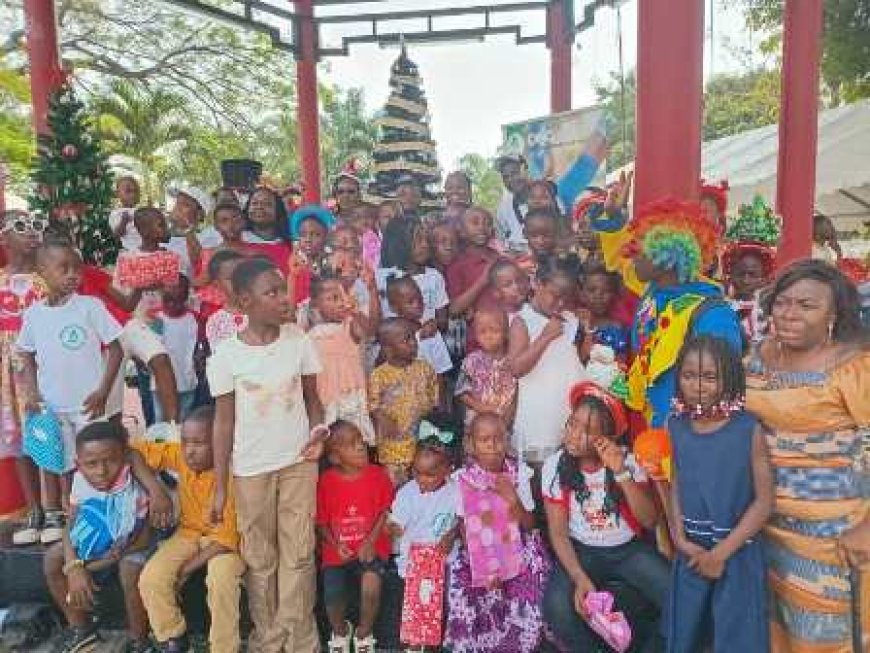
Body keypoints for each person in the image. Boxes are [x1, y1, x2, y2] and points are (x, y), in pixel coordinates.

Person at [744, 260, 869, 652]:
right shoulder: (756, 357)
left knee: (823, 637)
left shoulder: (853, 366)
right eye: (782, 302)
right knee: (773, 629)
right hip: (762, 526)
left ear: (833, 314)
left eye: (806, 305)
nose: (790, 313)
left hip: (831, 537)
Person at [208, 257, 326, 653]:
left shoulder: (299, 340)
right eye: (271, 292)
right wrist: (220, 488)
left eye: (282, 290)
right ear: (244, 302)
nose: (282, 299)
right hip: (250, 471)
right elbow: (223, 424)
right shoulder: (226, 356)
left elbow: (314, 401)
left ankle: (301, 640)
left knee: (299, 554)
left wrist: (318, 433)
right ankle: (268, 638)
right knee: (260, 560)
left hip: (298, 463)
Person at [592, 185, 743, 432]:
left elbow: (723, 390)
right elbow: (619, 259)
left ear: (666, 255)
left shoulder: (712, 313)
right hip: (648, 428)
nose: (630, 253)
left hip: (687, 437)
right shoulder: (653, 290)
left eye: (638, 247)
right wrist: (614, 217)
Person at [543, 382, 669, 652]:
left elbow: (649, 521)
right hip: (581, 550)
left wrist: (621, 472)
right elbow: (557, 532)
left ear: (606, 438)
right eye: (573, 424)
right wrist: (578, 577)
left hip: (627, 550)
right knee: (557, 609)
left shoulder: (628, 463)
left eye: (587, 431)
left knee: (676, 597)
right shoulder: (556, 466)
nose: (574, 435)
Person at [666, 336, 773, 652]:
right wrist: (680, 539)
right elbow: (676, 484)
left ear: (729, 377)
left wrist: (719, 554)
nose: (698, 386)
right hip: (692, 553)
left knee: (736, 636)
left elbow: (765, 502)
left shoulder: (747, 429)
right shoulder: (675, 425)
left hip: (736, 552)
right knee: (687, 636)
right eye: (689, 376)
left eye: (710, 377)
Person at [42, 421, 171, 653]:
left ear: (124, 457)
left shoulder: (135, 478)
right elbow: (70, 525)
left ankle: (140, 641)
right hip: (100, 540)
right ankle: (81, 629)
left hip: (133, 543)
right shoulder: (81, 481)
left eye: (110, 461)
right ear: (78, 464)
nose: (101, 471)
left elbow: (141, 540)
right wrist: (74, 568)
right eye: (91, 464)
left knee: (129, 570)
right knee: (53, 558)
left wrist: (95, 564)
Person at [17, 241, 124, 512]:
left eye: (76, 267)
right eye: (63, 268)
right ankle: (70, 512)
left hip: (89, 404)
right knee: (63, 461)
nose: (72, 274)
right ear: (42, 271)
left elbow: (116, 347)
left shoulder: (90, 306)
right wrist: (32, 392)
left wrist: (103, 391)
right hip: (54, 406)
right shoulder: (33, 315)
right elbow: (26, 354)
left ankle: (102, 509)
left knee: (97, 457)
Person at [136, 406, 246, 653]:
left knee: (221, 579)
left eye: (199, 443)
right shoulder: (180, 457)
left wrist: (185, 570)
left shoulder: (231, 474)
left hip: (225, 546)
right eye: (185, 441)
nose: (189, 450)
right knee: (151, 577)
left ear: (220, 443)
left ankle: (224, 647)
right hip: (189, 534)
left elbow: (225, 539)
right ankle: (173, 638)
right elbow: (133, 452)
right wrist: (154, 488)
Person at [445, 413, 549, 653]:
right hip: (479, 552)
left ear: (507, 441)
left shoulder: (519, 474)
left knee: (527, 589)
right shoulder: (463, 479)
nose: (492, 445)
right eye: (484, 440)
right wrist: (483, 564)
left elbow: (530, 525)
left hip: (518, 547)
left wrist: (513, 499)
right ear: (471, 444)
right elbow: (463, 525)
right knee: (465, 591)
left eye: (498, 439)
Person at [317, 421, 394, 653]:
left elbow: (385, 511)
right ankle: (340, 632)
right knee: (332, 595)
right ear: (334, 457)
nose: (361, 447)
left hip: (372, 548)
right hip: (337, 551)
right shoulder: (327, 481)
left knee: (371, 585)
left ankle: (364, 632)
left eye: (360, 441)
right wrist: (335, 544)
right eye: (351, 445)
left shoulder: (378, 475)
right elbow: (320, 523)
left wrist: (370, 541)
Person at [509, 260, 586, 466]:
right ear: (537, 284)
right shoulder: (522, 321)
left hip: (567, 410)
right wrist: (545, 337)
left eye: (566, 298)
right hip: (540, 415)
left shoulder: (570, 319)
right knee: (540, 473)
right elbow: (516, 369)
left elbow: (577, 360)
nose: (560, 303)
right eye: (555, 295)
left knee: (567, 470)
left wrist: (588, 332)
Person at [0, 211, 47, 545]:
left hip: (41, 366)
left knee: (49, 434)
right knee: (16, 437)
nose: (31, 233)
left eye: (35, 227)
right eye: (20, 227)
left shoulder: (47, 279)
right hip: (6, 375)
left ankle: (57, 506)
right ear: (3, 238)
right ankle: (33, 508)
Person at [368, 317, 439, 486]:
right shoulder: (379, 375)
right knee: (396, 489)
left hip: (421, 445)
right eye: (406, 340)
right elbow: (372, 403)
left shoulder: (425, 368)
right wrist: (380, 416)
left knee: (423, 486)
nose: (413, 342)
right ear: (388, 348)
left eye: (413, 337)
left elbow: (434, 400)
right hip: (393, 449)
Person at [308, 275, 375, 443]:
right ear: (316, 303)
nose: (340, 303)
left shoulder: (349, 326)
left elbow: (369, 329)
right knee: (330, 440)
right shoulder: (309, 333)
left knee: (356, 438)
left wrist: (357, 311)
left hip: (350, 396)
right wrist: (293, 278)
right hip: (325, 397)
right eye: (333, 298)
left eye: (343, 296)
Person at [389, 432, 459, 580]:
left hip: (447, 562)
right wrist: (393, 526)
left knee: (444, 600)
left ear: (447, 470)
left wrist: (453, 533)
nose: (421, 479)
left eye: (429, 475)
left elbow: (462, 519)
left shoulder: (456, 491)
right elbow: (396, 523)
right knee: (419, 600)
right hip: (415, 562)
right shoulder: (406, 494)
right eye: (417, 472)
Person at [721, 196, 780, 345]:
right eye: (741, 274)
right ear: (731, 274)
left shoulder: (773, 311)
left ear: (764, 277)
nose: (746, 280)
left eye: (752, 275)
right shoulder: (721, 308)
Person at [445, 207, 502, 351]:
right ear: (462, 232)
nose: (482, 227)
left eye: (487, 223)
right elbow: (454, 309)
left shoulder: (500, 258)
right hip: (479, 341)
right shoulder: (457, 264)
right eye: (475, 223)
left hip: (507, 334)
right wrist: (483, 280)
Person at [456, 307, 517, 428]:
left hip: (504, 424)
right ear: (475, 335)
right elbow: (461, 391)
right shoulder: (471, 361)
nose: (488, 336)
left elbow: (515, 396)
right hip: (476, 423)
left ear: (506, 333)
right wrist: (480, 407)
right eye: (482, 332)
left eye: (494, 331)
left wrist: (506, 421)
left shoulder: (513, 362)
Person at [385, 276, 453, 381]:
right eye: (410, 302)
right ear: (394, 308)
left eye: (420, 298)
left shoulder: (431, 333)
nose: (418, 304)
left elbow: (440, 374)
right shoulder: (390, 339)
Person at [152, 275, 199, 422]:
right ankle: (160, 446)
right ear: (161, 297)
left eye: (177, 301)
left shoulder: (194, 319)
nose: (172, 305)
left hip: (187, 380)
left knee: (184, 421)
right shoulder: (156, 319)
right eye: (168, 301)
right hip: (160, 385)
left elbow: (199, 346)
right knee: (161, 422)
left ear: (185, 298)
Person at [578, 264, 631, 363]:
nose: (598, 296)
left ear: (613, 295)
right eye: (592, 290)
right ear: (582, 294)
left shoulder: (618, 330)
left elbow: (621, 366)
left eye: (606, 291)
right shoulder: (575, 326)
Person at [166, 184, 221, 278]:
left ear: (199, 215)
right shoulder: (159, 233)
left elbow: (200, 264)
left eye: (185, 205)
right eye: (177, 202)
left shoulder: (209, 237)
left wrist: (188, 230)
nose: (177, 207)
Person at [289, 204, 337, 306]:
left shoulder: (332, 262)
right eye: (303, 234)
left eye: (316, 234)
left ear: (326, 237)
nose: (308, 240)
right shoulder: (293, 262)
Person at [203, 250, 248, 352]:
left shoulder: (263, 312)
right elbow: (220, 359)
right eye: (231, 278)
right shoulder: (216, 322)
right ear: (217, 285)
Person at [242, 186, 292, 273]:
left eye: (267, 203)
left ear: (277, 211)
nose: (259, 207)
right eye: (254, 203)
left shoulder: (290, 246)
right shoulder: (236, 242)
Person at [109, 176, 142, 251]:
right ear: (117, 194)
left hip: (149, 251)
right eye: (128, 191)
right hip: (130, 251)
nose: (133, 195)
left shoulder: (143, 211)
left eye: (135, 191)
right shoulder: (116, 213)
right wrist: (123, 221)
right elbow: (117, 235)